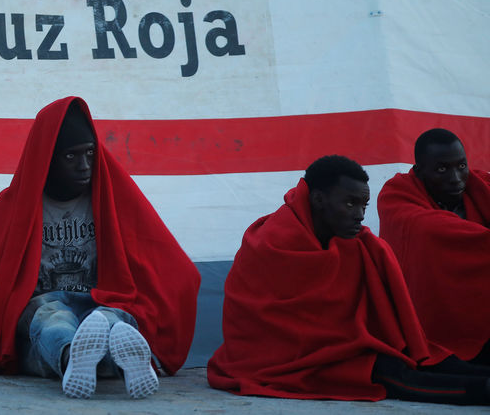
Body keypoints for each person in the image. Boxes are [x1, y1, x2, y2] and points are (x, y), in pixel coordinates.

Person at [0, 96, 200, 400]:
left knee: (112, 319)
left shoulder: (112, 198)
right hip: (42, 306)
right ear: (47, 158)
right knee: (52, 319)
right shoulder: (12, 208)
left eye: (90, 154)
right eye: (71, 157)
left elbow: (169, 263)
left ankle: (96, 360)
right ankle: (77, 358)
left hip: (100, 302)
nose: (84, 166)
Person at [207, 155, 490, 404]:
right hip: (285, 360)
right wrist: (354, 346)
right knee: (388, 372)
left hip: (346, 348)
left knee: (428, 357)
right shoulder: (270, 243)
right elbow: (269, 323)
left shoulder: (355, 242)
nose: (360, 216)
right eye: (350, 203)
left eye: (364, 205)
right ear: (318, 199)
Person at [378, 128, 490, 364]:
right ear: (419, 172)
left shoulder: (480, 186)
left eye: (461, 166)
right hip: (435, 322)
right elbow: (428, 230)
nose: (456, 178)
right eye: (442, 169)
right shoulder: (396, 195)